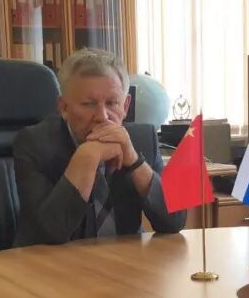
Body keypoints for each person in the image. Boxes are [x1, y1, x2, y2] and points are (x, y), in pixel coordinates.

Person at [13, 48, 186, 246]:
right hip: (56, 263)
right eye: (88, 104)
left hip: (125, 262)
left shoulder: (143, 139)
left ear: (125, 106)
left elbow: (174, 222)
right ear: (64, 108)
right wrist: (86, 158)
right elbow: (45, 237)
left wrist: (134, 161)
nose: (102, 116)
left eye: (112, 103)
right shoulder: (35, 143)